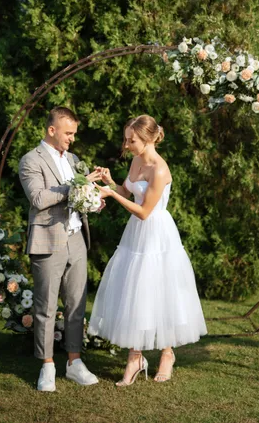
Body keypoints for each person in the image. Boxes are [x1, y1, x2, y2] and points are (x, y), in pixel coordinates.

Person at [89, 114, 207, 386]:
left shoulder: (160, 170)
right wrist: (110, 183)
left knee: (159, 290)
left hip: (156, 233)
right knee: (134, 290)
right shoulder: (136, 160)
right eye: (126, 139)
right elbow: (127, 192)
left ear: (148, 139)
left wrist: (112, 195)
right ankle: (135, 357)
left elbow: (143, 211)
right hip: (136, 236)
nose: (127, 144)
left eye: (132, 140)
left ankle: (167, 353)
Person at [19, 106, 102, 391]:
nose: (72, 139)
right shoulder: (31, 159)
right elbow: (38, 198)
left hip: (76, 238)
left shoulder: (75, 159)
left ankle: (74, 363)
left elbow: (80, 196)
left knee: (76, 306)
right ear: (51, 130)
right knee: (46, 307)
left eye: (74, 133)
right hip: (48, 240)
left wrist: (93, 199)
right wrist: (76, 185)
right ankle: (47, 366)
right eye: (68, 133)